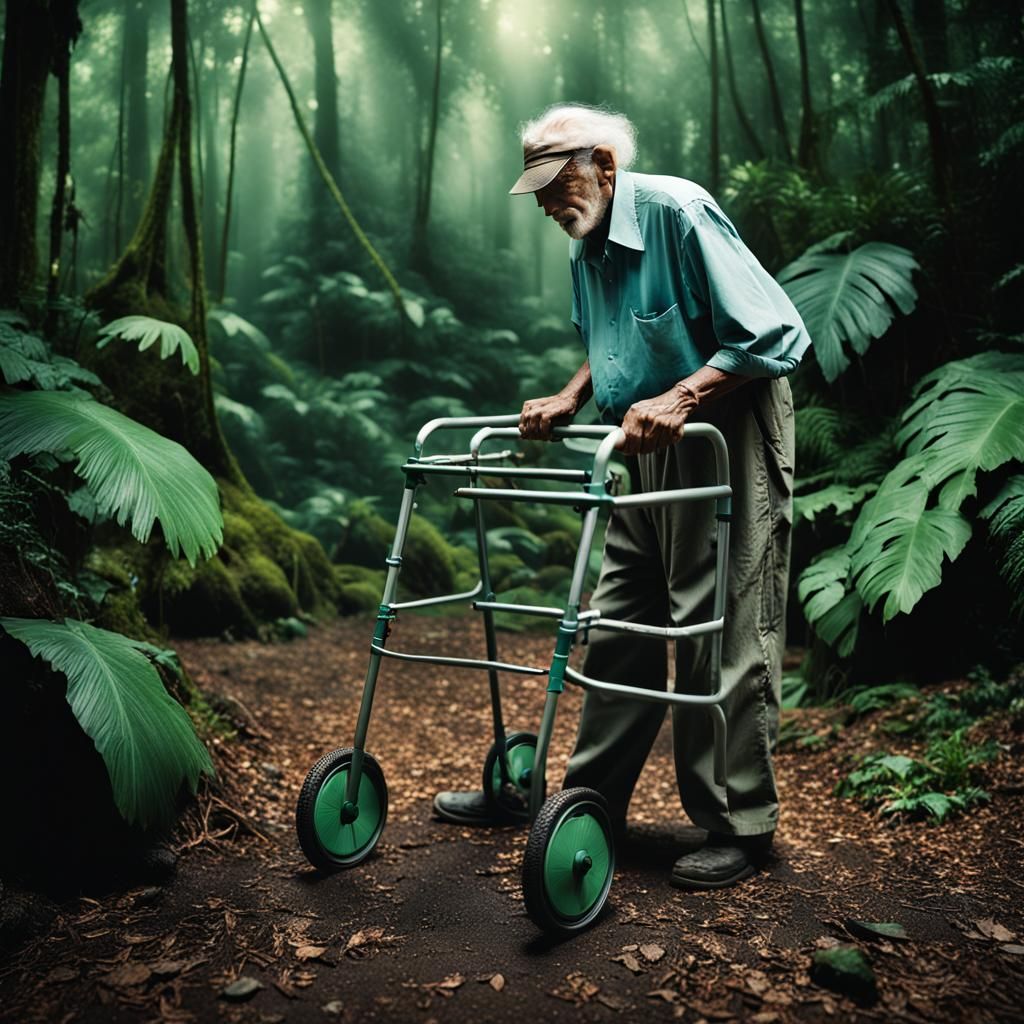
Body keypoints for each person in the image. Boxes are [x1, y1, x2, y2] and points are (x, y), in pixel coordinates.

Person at [434, 104, 810, 890]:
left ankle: (737, 825)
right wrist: (572, 395)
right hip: (642, 446)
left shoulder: (677, 211)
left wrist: (682, 396)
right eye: (534, 188)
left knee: (723, 630)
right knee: (617, 624)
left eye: (555, 180)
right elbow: (610, 342)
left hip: (724, 433)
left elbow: (775, 332)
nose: (544, 201)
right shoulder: (588, 245)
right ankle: (585, 802)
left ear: (603, 163)